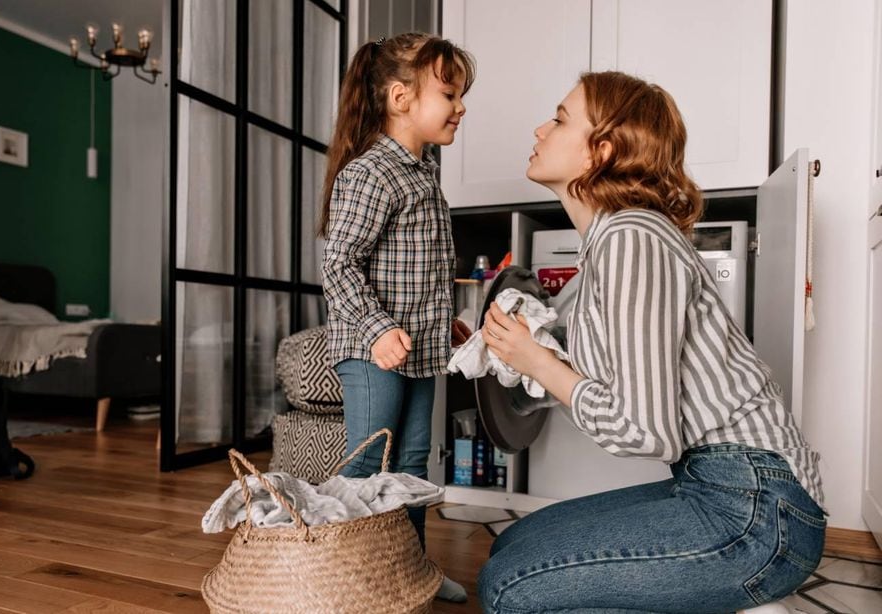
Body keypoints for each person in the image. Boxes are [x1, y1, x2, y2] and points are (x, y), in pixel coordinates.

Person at [476, 71, 826, 613]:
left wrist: (540, 364)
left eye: (561, 118)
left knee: (511, 590)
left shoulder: (631, 237)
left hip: (758, 512)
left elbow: (645, 432)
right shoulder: (609, 243)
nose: (540, 128)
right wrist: (528, 351)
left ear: (603, 150)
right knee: (509, 547)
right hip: (716, 484)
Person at [319, 32, 476, 603]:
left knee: (411, 466)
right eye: (450, 93)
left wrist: (445, 321)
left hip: (421, 348)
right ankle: (355, 578)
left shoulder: (424, 171)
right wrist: (377, 328)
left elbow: (422, 267)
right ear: (400, 97)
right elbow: (338, 264)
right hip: (373, 352)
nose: (461, 106)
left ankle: (410, 571)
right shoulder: (372, 172)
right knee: (369, 466)